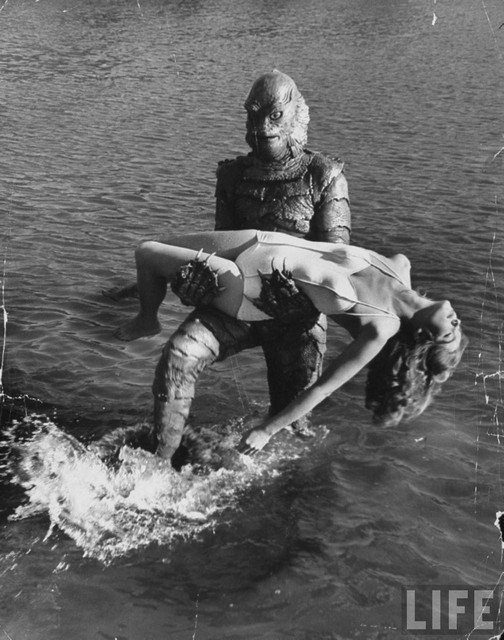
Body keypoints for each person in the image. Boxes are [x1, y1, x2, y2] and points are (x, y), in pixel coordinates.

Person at [107, 70, 352, 466]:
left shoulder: (323, 175)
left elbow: (338, 262)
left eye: (274, 116)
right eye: (254, 116)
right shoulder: (233, 175)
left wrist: (300, 297)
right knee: (178, 355)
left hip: (298, 317)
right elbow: (222, 244)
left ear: (296, 114)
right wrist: (197, 281)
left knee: (292, 430)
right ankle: (159, 464)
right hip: (238, 300)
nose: (262, 128)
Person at [115, 229, 467, 462]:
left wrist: (267, 430)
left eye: (449, 335)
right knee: (155, 247)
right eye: (458, 328)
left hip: (250, 287)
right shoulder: (400, 267)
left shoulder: (381, 327)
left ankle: (147, 319)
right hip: (257, 241)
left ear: (424, 337)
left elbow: (323, 387)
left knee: (146, 253)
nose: (456, 323)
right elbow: (390, 262)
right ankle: (135, 303)